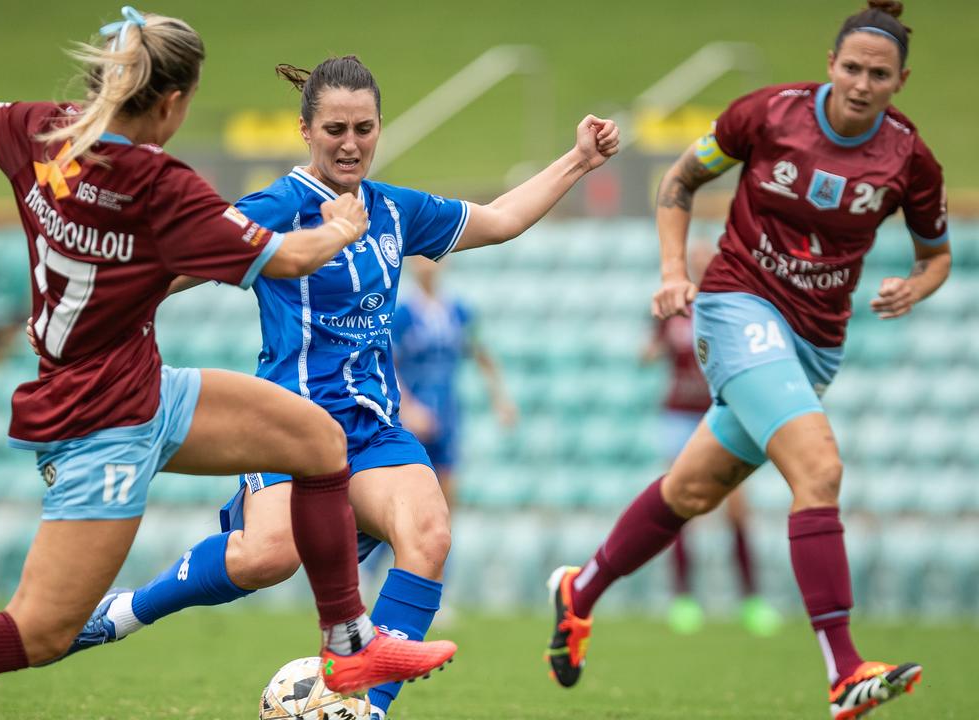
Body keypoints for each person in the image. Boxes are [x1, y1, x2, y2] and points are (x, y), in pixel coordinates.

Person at [0, 9, 457, 719]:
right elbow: (287, 256)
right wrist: (343, 228)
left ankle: (350, 646)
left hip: (144, 386)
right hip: (103, 419)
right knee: (37, 631)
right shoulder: (163, 190)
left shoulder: (43, 129)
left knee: (318, 442)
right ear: (169, 102)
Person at [49, 55, 617, 720]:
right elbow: (173, 269)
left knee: (428, 533)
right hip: (288, 428)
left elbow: (501, 219)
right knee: (268, 556)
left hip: (373, 430)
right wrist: (93, 319)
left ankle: (364, 708)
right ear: (306, 131)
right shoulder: (278, 207)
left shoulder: (396, 210)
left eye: (364, 128)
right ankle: (123, 614)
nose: (351, 143)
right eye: (336, 129)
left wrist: (578, 160)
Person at [544, 3, 947, 718]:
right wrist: (674, 271)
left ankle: (578, 595)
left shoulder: (909, 159)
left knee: (692, 493)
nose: (861, 83)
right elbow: (679, 181)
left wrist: (916, 285)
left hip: (818, 341)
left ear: (900, 81)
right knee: (819, 468)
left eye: (878, 74)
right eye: (851, 67)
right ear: (830, 64)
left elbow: (937, 254)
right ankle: (845, 671)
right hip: (738, 307)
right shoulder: (767, 115)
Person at [640, 243, 780, 637]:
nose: (701, 267)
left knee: (736, 509)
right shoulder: (674, 306)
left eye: (707, 261)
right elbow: (652, 348)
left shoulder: (731, 307)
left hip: (719, 412)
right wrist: (649, 350)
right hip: (679, 415)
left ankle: (752, 600)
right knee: (680, 505)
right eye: (696, 262)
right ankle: (683, 599)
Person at [394, 255, 518, 508]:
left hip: (447, 410)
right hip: (413, 415)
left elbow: (481, 354)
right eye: (420, 256)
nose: (428, 263)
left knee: (448, 489)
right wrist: (407, 408)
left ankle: (446, 546)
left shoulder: (458, 310)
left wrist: (500, 400)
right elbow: (386, 364)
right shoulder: (402, 313)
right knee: (409, 492)